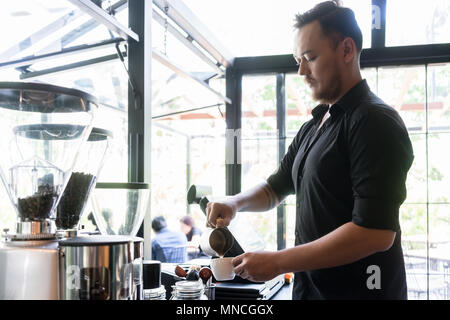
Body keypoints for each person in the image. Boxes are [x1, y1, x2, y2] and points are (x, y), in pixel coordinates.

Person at [206, 1, 414, 300]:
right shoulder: (314, 125)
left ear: (346, 50)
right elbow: (275, 188)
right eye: (298, 59)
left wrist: (278, 261)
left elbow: (375, 233)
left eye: (310, 57)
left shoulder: (373, 121)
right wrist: (234, 203)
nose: (301, 70)